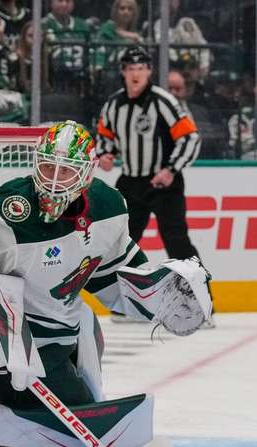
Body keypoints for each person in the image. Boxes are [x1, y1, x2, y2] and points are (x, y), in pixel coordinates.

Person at [0, 120, 211, 414]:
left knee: (87, 396)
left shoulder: (108, 207)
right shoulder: (10, 211)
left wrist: (155, 295)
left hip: (60, 332)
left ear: (87, 173)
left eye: (65, 170)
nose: (53, 181)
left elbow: (109, 278)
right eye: (48, 167)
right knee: (75, 409)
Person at [95, 47, 204, 279]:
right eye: (131, 68)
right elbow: (104, 136)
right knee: (122, 244)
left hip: (163, 184)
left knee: (177, 241)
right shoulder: (114, 104)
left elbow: (190, 137)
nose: (136, 74)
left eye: (142, 68)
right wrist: (105, 154)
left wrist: (171, 169)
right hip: (130, 183)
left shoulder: (162, 101)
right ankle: (125, 302)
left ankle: (199, 301)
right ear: (123, 71)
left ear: (150, 71)